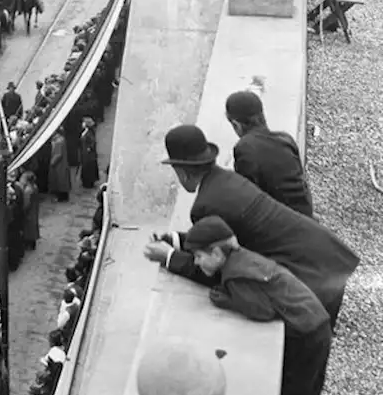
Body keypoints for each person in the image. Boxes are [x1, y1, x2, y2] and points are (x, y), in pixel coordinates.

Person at [151, 216, 331, 395]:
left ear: (217, 254)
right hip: (315, 325)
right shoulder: (241, 260)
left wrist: (221, 298)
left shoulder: (236, 275)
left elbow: (260, 310)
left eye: (199, 257)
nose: (197, 264)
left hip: (304, 337)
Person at [149, 124, 358, 325]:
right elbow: (229, 237)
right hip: (324, 255)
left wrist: (169, 258)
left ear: (181, 171)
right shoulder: (227, 180)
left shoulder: (203, 206)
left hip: (308, 275)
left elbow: (219, 267)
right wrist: (177, 240)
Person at [224, 90, 314, 219]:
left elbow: (246, 198)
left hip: (281, 222)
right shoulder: (286, 139)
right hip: (305, 213)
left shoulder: (245, 147)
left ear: (236, 125)